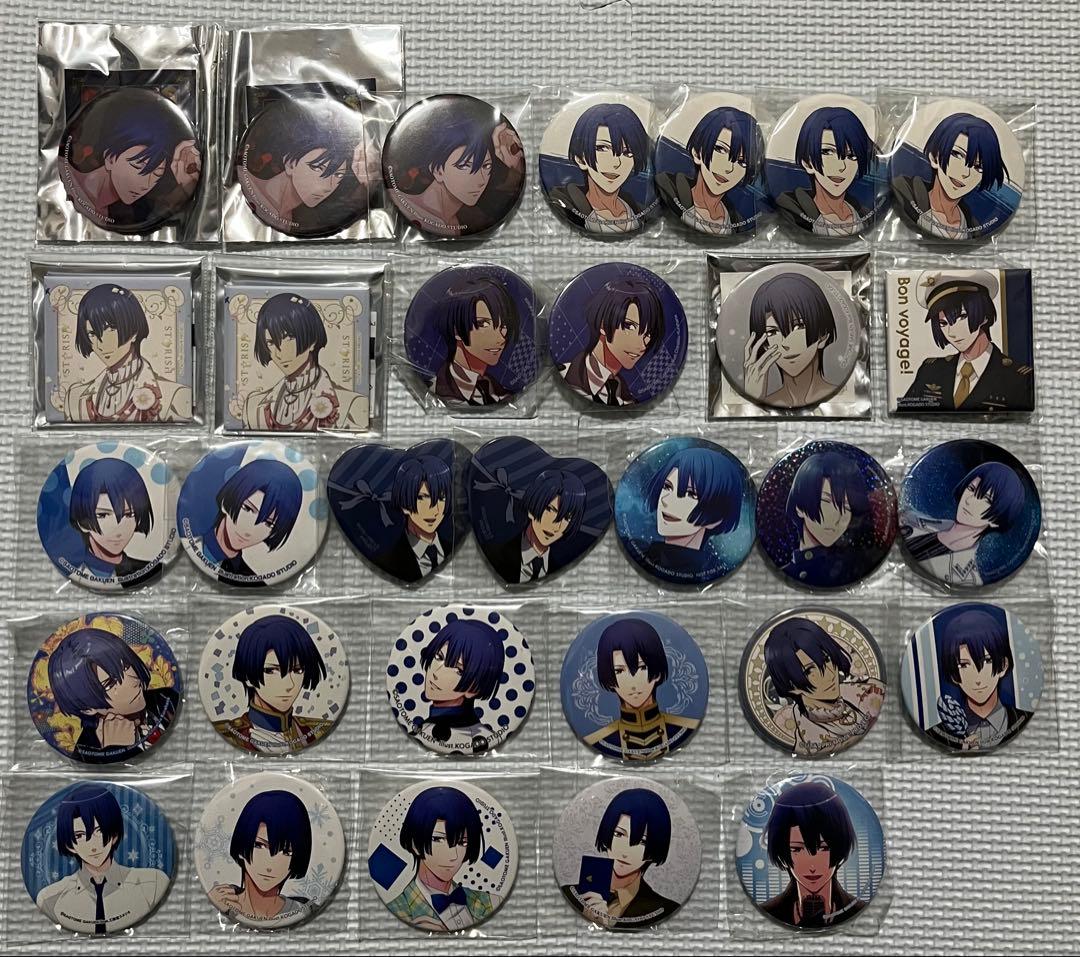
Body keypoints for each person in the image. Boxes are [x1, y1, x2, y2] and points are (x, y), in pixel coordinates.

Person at [36, 784, 171, 934]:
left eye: (99, 831)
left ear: (114, 834)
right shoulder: (50, 899)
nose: (93, 846)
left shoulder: (153, 884)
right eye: (80, 836)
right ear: (70, 845)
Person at [58, 89, 200, 224]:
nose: (146, 185)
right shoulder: (61, 174)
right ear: (110, 158)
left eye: (157, 175)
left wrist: (186, 184)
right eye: (138, 166)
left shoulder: (104, 217)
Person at [899, 272, 1032, 412]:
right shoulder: (930, 370)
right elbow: (904, 412)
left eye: (962, 317)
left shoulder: (1019, 378)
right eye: (943, 323)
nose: (951, 332)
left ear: (984, 316)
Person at [47, 627, 178, 760]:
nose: (131, 680)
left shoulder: (166, 699)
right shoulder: (85, 753)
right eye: (110, 684)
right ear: (87, 709)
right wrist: (113, 748)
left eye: (126, 666)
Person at [63, 284, 190, 423]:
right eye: (92, 334)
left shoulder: (174, 395)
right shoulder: (75, 398)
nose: (100, 345)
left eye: (111, 330)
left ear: (134, 331)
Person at [240, 292, 367, 431]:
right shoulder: (253, 406)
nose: (279, 353)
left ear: (312, 340)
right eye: (270, 342)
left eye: (289, 338)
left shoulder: (350, 404)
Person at [561, 787, 679, 930]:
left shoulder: (665, 909)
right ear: (608, 832)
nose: (625, 852)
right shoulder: (568, 894)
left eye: (642, 842)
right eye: (619, 834)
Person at [763, 617, 884, 754]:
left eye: (826, 659)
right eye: (809, 671)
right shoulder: (810, 744)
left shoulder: (866, 690)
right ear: (791, 686)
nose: (830, 674)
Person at [388, 786, 501, 931]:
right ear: (414, 843)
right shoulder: (398, 910)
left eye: (462, 842)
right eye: (438, 839)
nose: (453, 856)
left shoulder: (491, 902)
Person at [238, 102, 366, 230]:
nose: (328, 187)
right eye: (318, 168)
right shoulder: (241, 186)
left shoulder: (287, 222)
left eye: (338, 175)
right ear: (290, 164)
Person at [584, 618, 699, 759]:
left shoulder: (684, 728)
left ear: (657, 672)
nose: (633, 683)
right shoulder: (600, 740)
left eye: (642, 667)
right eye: (619, 671)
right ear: (609, 677)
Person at [213, 615, 331, 753]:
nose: (289, 684)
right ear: (247, 676)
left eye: (298, 670)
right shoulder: (228, 735)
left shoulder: (316, 731)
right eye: (271, 670)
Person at [391, 116, 524, 233]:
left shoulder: (454, 225)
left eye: (486, 166)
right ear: (438, 171)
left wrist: (515, 165)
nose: (481, 180)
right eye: (464, 166)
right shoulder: (397, 202)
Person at [901, 461, 1026, 587]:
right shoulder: (912, 519)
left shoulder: (968, 579)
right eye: (971, 489)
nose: (969, 500)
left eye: (986, 499)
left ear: (996, 521)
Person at [762, 780, 866, 928]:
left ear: (839, 848)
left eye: (823, 848)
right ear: (782, 853)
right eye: (797, 849)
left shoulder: (860, 911)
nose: (812, 866)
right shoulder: (767, 913)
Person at [891, 112, 1008, 240]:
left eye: (978, 167)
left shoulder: (974, 226)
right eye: (957, 154)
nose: (965, 173)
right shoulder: (904, 192)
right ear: (934, 157)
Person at [932, 605, 1032, 750]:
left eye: (986, 661)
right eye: (964, 665)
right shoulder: (939, 732)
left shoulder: (1023, 720)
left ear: (1003, 665)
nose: (977, 679)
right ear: (954, 675)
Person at [209, 790, 313, 926]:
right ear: (241, 845)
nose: (270, 865)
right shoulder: (221, 901)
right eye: (259, 845)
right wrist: (213, 907)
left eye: (287, 852)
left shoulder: (304, 910)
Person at [559, 278, 666, 406]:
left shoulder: (627, 399)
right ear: (603, 324)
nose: (642, 344)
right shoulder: (565, 373)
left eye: (648, 333)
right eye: (629, 326)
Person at [655, 105, 761, 235]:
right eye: (720, 150)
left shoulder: (737, 218)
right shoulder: (668, 187)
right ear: (696, 153)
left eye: (741, 162)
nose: (729, 168)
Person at [196, 459, 303, 586]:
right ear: (226, 501)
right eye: (247, 508)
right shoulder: (190, 544)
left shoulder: (253, 580)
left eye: (269, 524)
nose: (249, 531)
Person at [549, 103, 650, 234]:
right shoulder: (567, 202)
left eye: (627, 153)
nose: (616, 163)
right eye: (602, 148)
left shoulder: (638, 209)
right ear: (580, 158)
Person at [743, 272, 838, 408]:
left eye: (798, 326)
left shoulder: (844, 401)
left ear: (822, 335)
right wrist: (753, 398)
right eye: (772, 332)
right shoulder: (761, 402)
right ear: (764, 345)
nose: (785, 343)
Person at [644, 446, 744, 575]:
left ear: (717, 517)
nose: (666, 500)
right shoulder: (644, 551)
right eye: (667, 486)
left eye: (690, 494)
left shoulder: (706, 571)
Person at [775, 107, 874, 236]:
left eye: (852, 156)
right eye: (827, 152)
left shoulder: (865, 214)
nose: (841, 166)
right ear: (807, 162)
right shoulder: (792, 211)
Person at [67, 457, 160, 588]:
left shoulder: (151, 569)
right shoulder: (74, 568)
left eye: (129, 515)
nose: (118, 530)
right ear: (81, 522)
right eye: (103, 515)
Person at [415, 619, 504, 753]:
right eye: (439, 657)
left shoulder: (478, 738)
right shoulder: (422, 729)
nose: (437, 673)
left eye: (458, 670)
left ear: (474, 689)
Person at [484, 469, 587, 583]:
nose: (556, 527)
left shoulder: (559, 564)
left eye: (566, 518)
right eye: (549, 509)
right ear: (532, 508)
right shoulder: (500, 553)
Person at [783, 451, 871, 583]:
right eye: (826, 501)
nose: (837, 518)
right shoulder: (788, 571)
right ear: (799, 507)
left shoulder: (852, 569)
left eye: (847, 508)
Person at [431, 277, 519, 405]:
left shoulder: (501, 393)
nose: (501, 338)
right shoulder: (434, 387)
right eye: (483, 324)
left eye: (503, 326)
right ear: (456, 330)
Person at [375, 454, 453, 582]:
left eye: (441, 498)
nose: (435, 510)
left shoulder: (452, 548)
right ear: (404, 503)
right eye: (422, 498)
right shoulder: (390, 557)